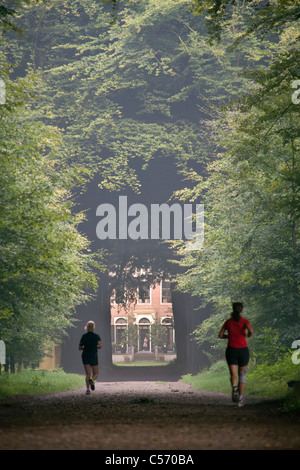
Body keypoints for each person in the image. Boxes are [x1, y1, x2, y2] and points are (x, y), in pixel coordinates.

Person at [218, 302, 253, 407]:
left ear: (233, 310)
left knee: (234, 374)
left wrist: (229, 337)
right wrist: (247, 334)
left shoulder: (228, 322)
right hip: (243, 350)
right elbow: (251, 331)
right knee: (242, 375)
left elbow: (220, 335)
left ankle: (234, 388)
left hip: (231, 350)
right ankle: (240, 400)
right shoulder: (245, 321)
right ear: (241, 310)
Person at [79, 321, 102, 395]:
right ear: (93, 327)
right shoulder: (96, 336)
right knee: (96, 373)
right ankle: (92, 380)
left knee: (88, 374)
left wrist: (85, 347)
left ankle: (87, 389)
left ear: (86, 327)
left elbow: (80, 347)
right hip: (93, 355)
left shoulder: (84, 336)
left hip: (85, 355)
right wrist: (96, 347)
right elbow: (100, 346)